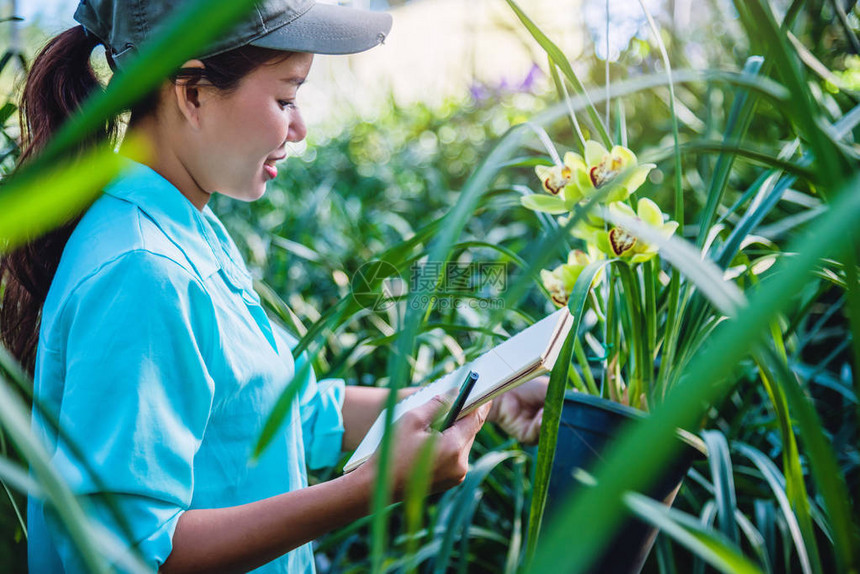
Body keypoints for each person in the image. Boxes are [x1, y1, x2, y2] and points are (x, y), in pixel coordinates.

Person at [0, 1, 548, 572]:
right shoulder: (142, 269)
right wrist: (373, 487)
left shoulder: (185, 226)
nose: (300, 127)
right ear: (190, 91)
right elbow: (129, 555)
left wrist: (481, 391)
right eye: (286, 97)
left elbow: (288, 411)